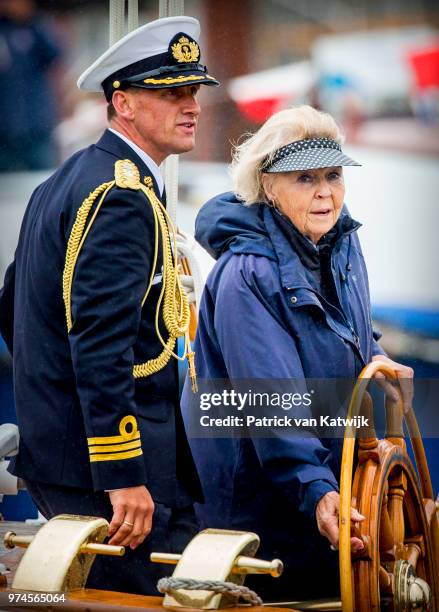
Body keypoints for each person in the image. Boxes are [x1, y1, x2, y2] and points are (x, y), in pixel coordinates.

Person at [0, 16, 219, 595]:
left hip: (71, 458)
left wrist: (47, 405)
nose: (190, 104)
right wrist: (123, 476)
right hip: (116, 479)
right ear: (122, 103)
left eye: (193, 91)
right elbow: (99, 345)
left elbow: (12, 303)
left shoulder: (69, 178)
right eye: (171, 92)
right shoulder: (121, 195)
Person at [181, 105, 414, 600]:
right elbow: (272, 404)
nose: (326, 191)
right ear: (268, 186)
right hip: (261, 513)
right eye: (305, 178)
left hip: (324, 486)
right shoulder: (248, 275)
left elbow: (346, 330)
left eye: (333, 175)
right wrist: (316, 488)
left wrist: (376, 356)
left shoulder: (342, 244)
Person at [0, 0, 62, 171]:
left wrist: (30, 19)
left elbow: (56, 55)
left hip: (36, 124)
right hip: (4, 128)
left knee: (44, 179)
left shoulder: (36, 27)